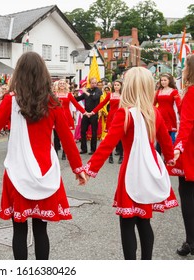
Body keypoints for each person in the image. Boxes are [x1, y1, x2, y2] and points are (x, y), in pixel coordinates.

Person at [0, 52, 87, 260]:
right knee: (41, 230)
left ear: (19, 74)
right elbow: (67, 139)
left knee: (19, 230)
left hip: (18, 172)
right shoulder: (52, 102)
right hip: (46, 170)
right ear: (43, 74)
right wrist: (78, 169)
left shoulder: (11, 102)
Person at [84, 67, 178, 260]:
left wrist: (90, 169)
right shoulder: (154, 112)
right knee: (145, 221)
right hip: (150, 169)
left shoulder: (124, 113)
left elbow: (108, 144)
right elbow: (166, 142)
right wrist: (170, 158)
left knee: (127, 222)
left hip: (131, 172)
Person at [171, 54, 194, 256]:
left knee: (187, 195)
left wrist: (177, 147)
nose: (183, 70)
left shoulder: (191, 92)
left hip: (191, 150)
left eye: (185, 66)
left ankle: (191, 241)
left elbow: (186, 124)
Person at [88, 80, 123, 164]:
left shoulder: (124, 95)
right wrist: (93, 111)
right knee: (110, 137)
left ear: (121, 86)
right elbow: (102, 104)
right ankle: (110, 156)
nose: (116, 86)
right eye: (115, 85)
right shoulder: (110, 95)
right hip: (111, 116)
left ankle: (121, 155)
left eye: (118, 85)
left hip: (121, 116)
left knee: (121, 137)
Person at [53, 79, 85, 160]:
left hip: (66, 116)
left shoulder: (69, 94)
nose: (62, 85)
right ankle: (56, 153)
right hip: (56, 117)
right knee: (56, 137)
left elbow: (76, 104)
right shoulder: (54, 94)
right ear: (58, 85)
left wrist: (84, 112)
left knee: (65, 136)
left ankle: (64, 152)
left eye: (63, 83)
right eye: (60, 83)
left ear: (66, 85)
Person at [154, 73, 181, 153]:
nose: (163, 82)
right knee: (159, 138)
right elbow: (153, 104)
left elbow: (179, 104)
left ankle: (168, 159)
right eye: (162, 80)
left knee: (169, 138)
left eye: (165, 80)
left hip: (169, 116)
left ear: (169, 81)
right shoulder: (158, 91)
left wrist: (181, 115)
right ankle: (158, 159)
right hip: (159, 115)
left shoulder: (174, 92)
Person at [75, 77, 102, 155]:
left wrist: (86, 92)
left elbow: (94, 98)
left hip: (94, 114)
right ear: (90, 83)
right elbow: (78, 99)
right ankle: (84, 149)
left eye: (95, 83)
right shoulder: (87, 91)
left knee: (94, 132)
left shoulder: (98, 91)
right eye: (92, 83)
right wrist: (74, 95)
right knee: (83, 131)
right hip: (86, 113)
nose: (94, 84)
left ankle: (93, 149)